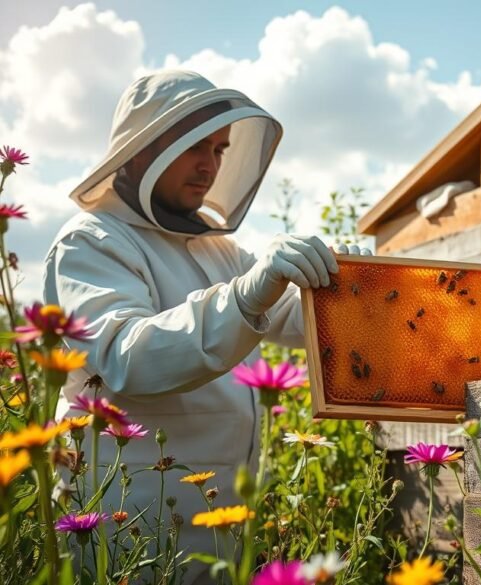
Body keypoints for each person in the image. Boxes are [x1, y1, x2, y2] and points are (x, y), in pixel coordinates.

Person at [43, 70, 368, 584]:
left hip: (222, 533)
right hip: (127, 537)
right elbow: (126, 358)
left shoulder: (218, 249)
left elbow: (287, 313)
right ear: (142, 148)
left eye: (220, 149)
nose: (210, 165)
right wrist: (246, 292)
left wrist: (347, 291)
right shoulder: (92, 243)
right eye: (196, 145)